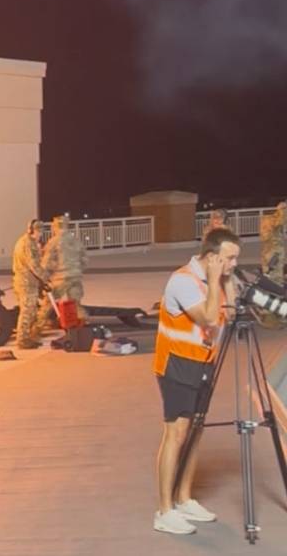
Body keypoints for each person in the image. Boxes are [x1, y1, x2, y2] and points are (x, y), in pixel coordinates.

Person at [152, 227, 240, 535]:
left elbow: (232, 311)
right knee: (175, 434)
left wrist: (225, 280)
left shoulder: (216, 280)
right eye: (230, 258)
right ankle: (165, 510)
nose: (233, 264)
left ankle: (185, 498)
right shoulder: (183, 281)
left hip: (203, 364)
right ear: (213, 257)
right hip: (176, 365)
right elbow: (207, 317)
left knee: (196, 431)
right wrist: (217, 280)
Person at [37, 214, 87, 328]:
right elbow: (84, 259)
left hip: (60, 278)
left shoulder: (54, 242)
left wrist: (44, 277)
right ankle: (81, 328)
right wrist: (77, 270)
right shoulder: (76, 240)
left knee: (47, 304)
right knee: (76, 304)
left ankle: (35, 330)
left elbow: (46, 263)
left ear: (55, 226)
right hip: (75, 277)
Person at [12, 219, 47, 349]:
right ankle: (22, 340)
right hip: (26, 283)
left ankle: (28, 337)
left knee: (31, 311)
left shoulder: (26, 241)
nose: (41, 235)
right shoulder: (28, 244)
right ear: (33, 230)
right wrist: (46, 278)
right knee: (27, 311)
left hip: (26, 281)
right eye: (40, 231)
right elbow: (34, 265)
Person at [260, 201, 286, 286]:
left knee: (269, 274)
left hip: (268, 251)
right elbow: (281, 224)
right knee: (275, 276)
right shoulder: (278, 219)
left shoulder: (267, 219)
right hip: (275, 251)